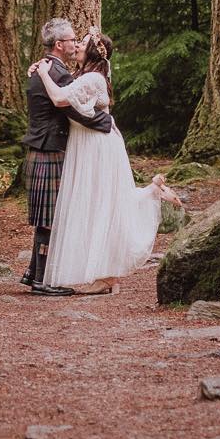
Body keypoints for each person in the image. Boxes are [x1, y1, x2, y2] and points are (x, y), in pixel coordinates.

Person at [35, 30, 176, 291]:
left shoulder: (93, 79)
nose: (77, 45)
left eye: (82, 43)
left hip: (96, 146)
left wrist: (43, 73)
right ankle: (105, 274)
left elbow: (59, 98)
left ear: (92, 52)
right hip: (86, 143)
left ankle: (108, 276)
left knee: (102, 204)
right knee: (96, 203)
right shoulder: (83, 76)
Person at [21, 17, 115, 295]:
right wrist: (105, 122)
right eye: (73, 39)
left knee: (47, 217)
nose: (75, 43)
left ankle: (34, 273)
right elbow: (75, 111)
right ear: (60, 44)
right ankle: (41, 280)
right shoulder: (57, 73)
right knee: (51, 218)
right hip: (50, 148)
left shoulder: (50, 68)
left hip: (43, 147)